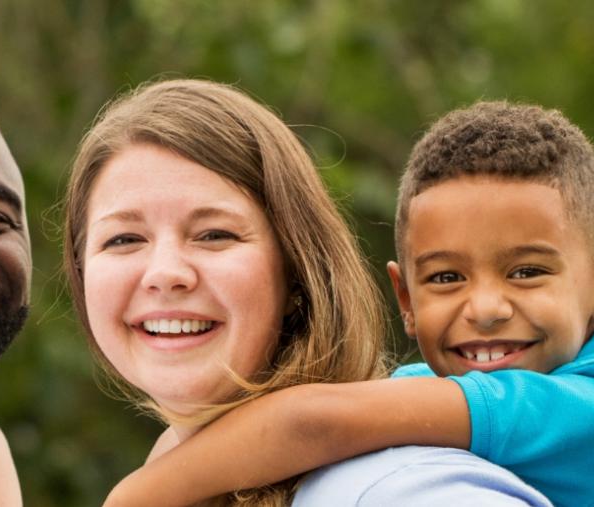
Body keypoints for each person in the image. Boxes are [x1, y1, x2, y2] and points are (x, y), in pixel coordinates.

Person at [108, 101, 594, 506]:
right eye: (447, 278)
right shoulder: (424, 387)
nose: (484, 307)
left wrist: (134, 496)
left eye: (526, 271)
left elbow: (309, 422)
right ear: (404, 295)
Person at [65, 79, 550, 506]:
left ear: (298, 272)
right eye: (124, 239)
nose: (165, 273)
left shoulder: (395, 489)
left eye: (215, 234)